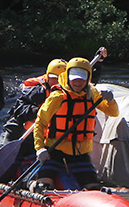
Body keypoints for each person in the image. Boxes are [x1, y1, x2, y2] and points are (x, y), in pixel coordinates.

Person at [32, 57, 118, 191]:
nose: (78, 82)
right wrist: (40, 148)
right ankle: (31, 185)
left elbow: (113, 113)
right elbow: (40, 123)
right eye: (74, 78)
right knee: (44, 185)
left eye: (82, 78)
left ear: (88, 78)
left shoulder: (92, 95)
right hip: (55, 151)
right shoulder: (57, 97)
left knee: (93, 187)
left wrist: (111, 100)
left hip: (80, 153)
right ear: (67, 77)